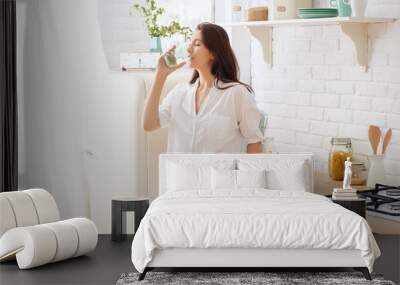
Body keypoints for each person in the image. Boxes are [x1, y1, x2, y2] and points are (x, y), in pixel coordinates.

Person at [142, 22, 267, 153]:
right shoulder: (180, 92)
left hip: (219, 173)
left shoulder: (237, 94)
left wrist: (243, 174)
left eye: (196, 44)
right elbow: (149, 124)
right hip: (179, 173)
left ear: (213, 53)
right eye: (190, 44)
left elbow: (254, 142)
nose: (189, 49)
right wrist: (160, 76)